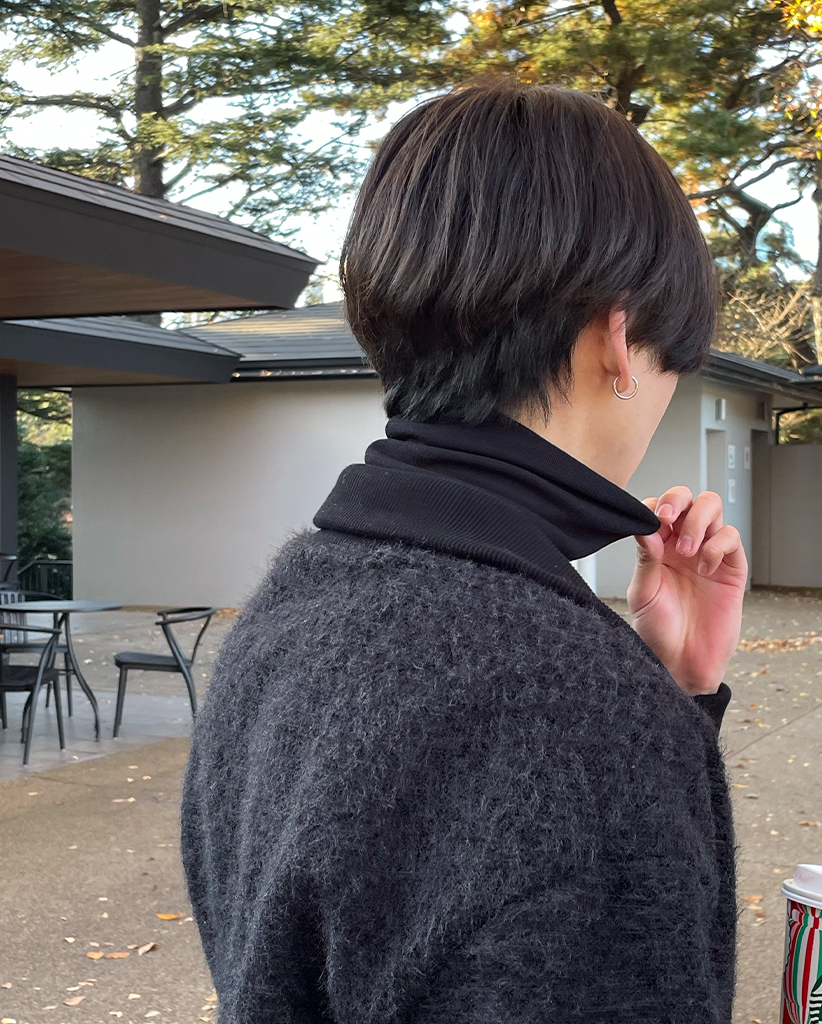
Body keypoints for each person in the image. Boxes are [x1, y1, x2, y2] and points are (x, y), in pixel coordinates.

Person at [181, 80, 746, 1023]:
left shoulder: (292, 603)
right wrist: (639, 715)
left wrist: (670, 695)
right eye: (672, 361)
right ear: (619, 338)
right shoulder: (570, 703)